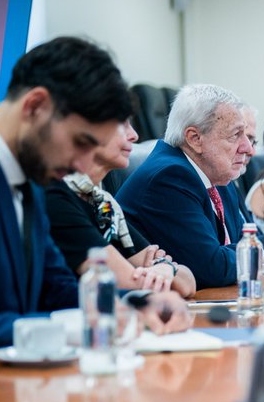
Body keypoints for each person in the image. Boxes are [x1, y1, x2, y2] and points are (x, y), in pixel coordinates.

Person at [0, 36, 189, 360]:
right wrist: (71, 327)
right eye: (81, 142)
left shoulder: (30, 180)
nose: (82, 164)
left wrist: (133, 304)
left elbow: (56, 287)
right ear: (34, 106)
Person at [118, 84, 264, 289]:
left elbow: (240, 244)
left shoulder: (217, 174)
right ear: (195, 138)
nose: (247, 148)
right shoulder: (169, 177)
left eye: (247, 136)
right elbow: (212, 267)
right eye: (236, 135)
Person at [46, 118, 197, 297]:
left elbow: (188, 283)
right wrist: (166, 271)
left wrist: (165, 268)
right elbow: (134, 284)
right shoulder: (57, 197)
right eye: (122, 125)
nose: (134, 135)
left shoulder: (103, 205)